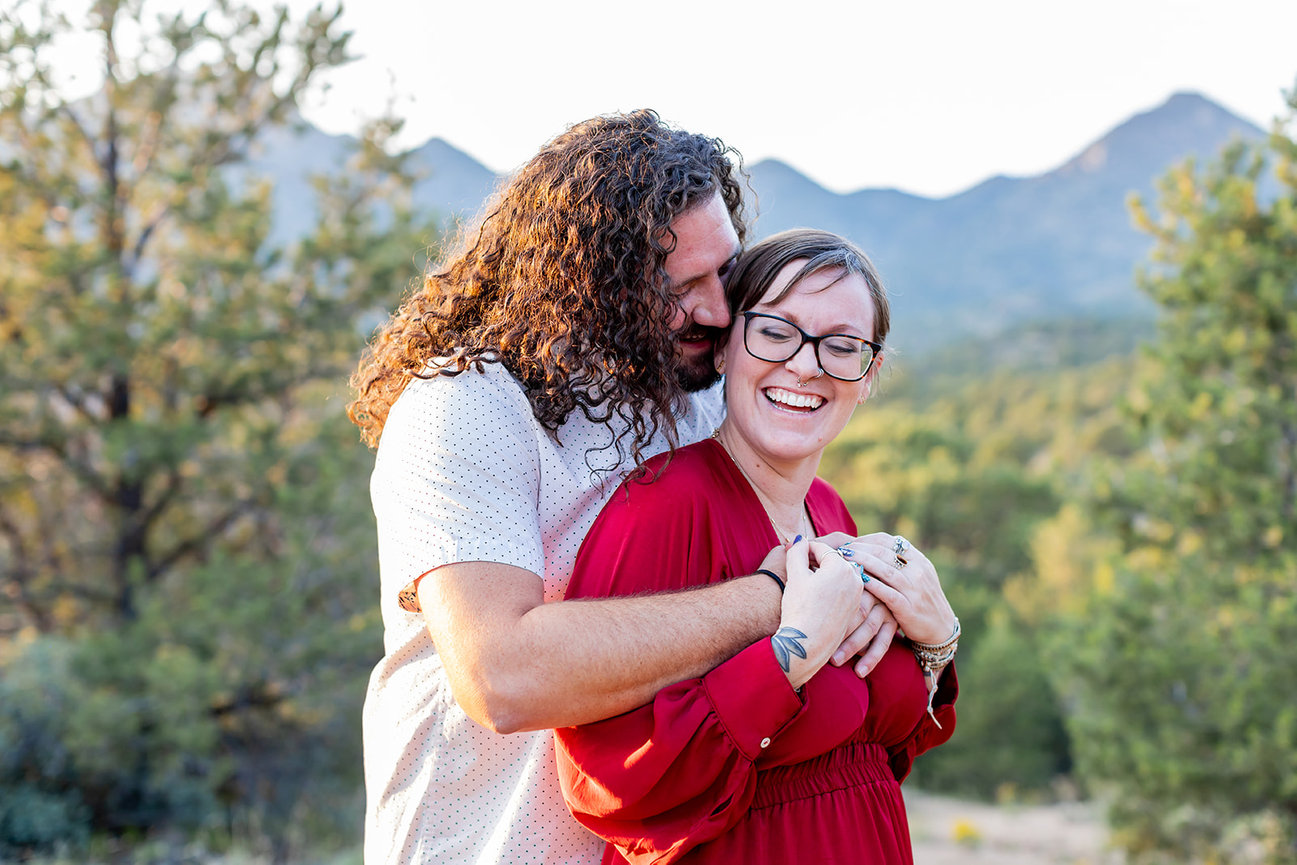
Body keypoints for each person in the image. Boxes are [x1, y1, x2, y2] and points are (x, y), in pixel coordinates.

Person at [348, 113, 898, 864]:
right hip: (484, 844)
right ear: (588, 285)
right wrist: (781, 599)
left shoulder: (694, 386)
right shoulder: (468, 407)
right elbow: (502, 675)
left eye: (724, 274)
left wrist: (898, 590)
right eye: (680, 287)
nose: (716, 311)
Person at [555, 229, 960, 864]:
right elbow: (607, 777)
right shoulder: (662, 505)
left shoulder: (831, 513)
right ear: (725, 349)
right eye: (776, 332)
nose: (805, 365)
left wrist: (938, 640)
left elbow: (872, 751)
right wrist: (788, 658)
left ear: (869, 371)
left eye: (841, 345)